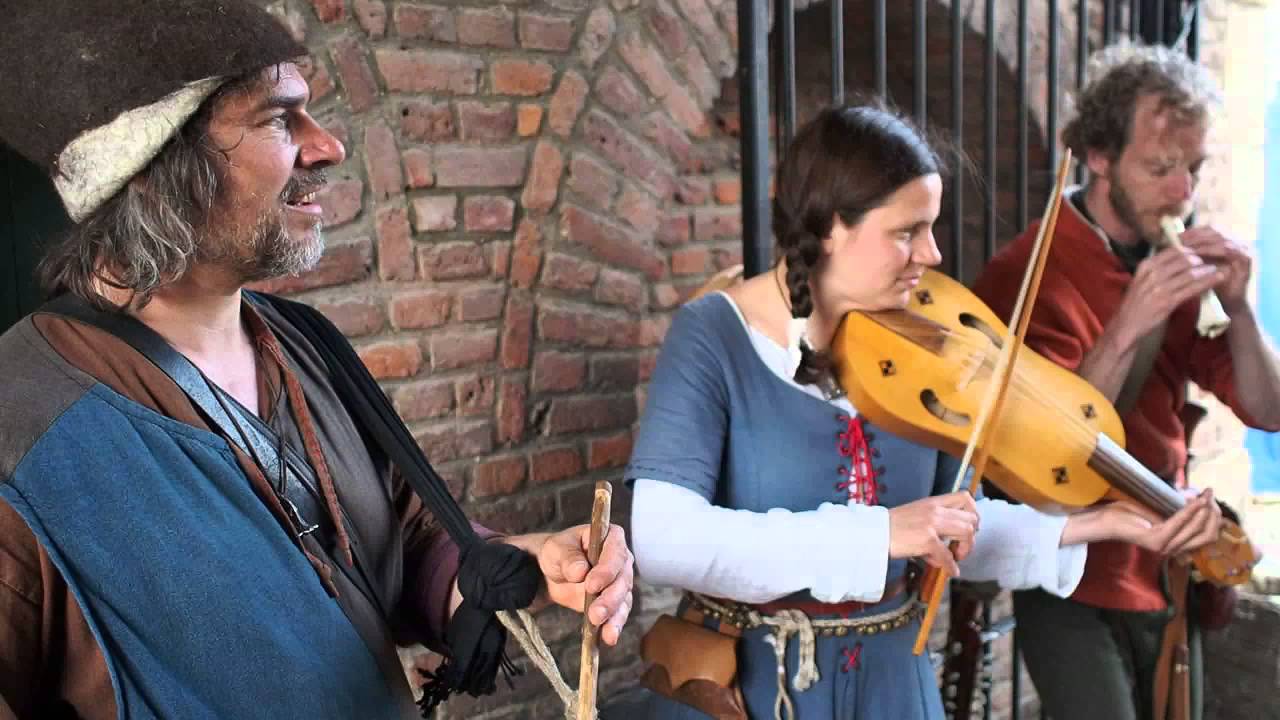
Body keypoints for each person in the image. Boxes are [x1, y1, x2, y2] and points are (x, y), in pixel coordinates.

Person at [0, 2, 634, 718]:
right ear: (149, 165)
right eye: (278, 119)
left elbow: (399, 547)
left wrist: (526, 566)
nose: (327, 146)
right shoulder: (19, 428)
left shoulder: (307, 347)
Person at [606, 103, 1226, 720]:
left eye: (932, 227)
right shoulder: (714, 333)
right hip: (751, 693)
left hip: (893, 689)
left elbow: (951, 527)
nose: (931, 254)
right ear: (830, 227)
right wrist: (880, 534)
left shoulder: (924, 343)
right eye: (907, 232)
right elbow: (665, 540)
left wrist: (1100, 523)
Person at [972, 43, 1280, 720]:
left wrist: (1240, 308)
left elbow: (1269, 410)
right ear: (1099, 156)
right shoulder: (1030, 269)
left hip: (1169, 559)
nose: (1183, 193)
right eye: (1160, 168)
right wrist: (1130, 323)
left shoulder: (1168, 251)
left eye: (1194, 168)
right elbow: (1045, 452)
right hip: (1074, 571)